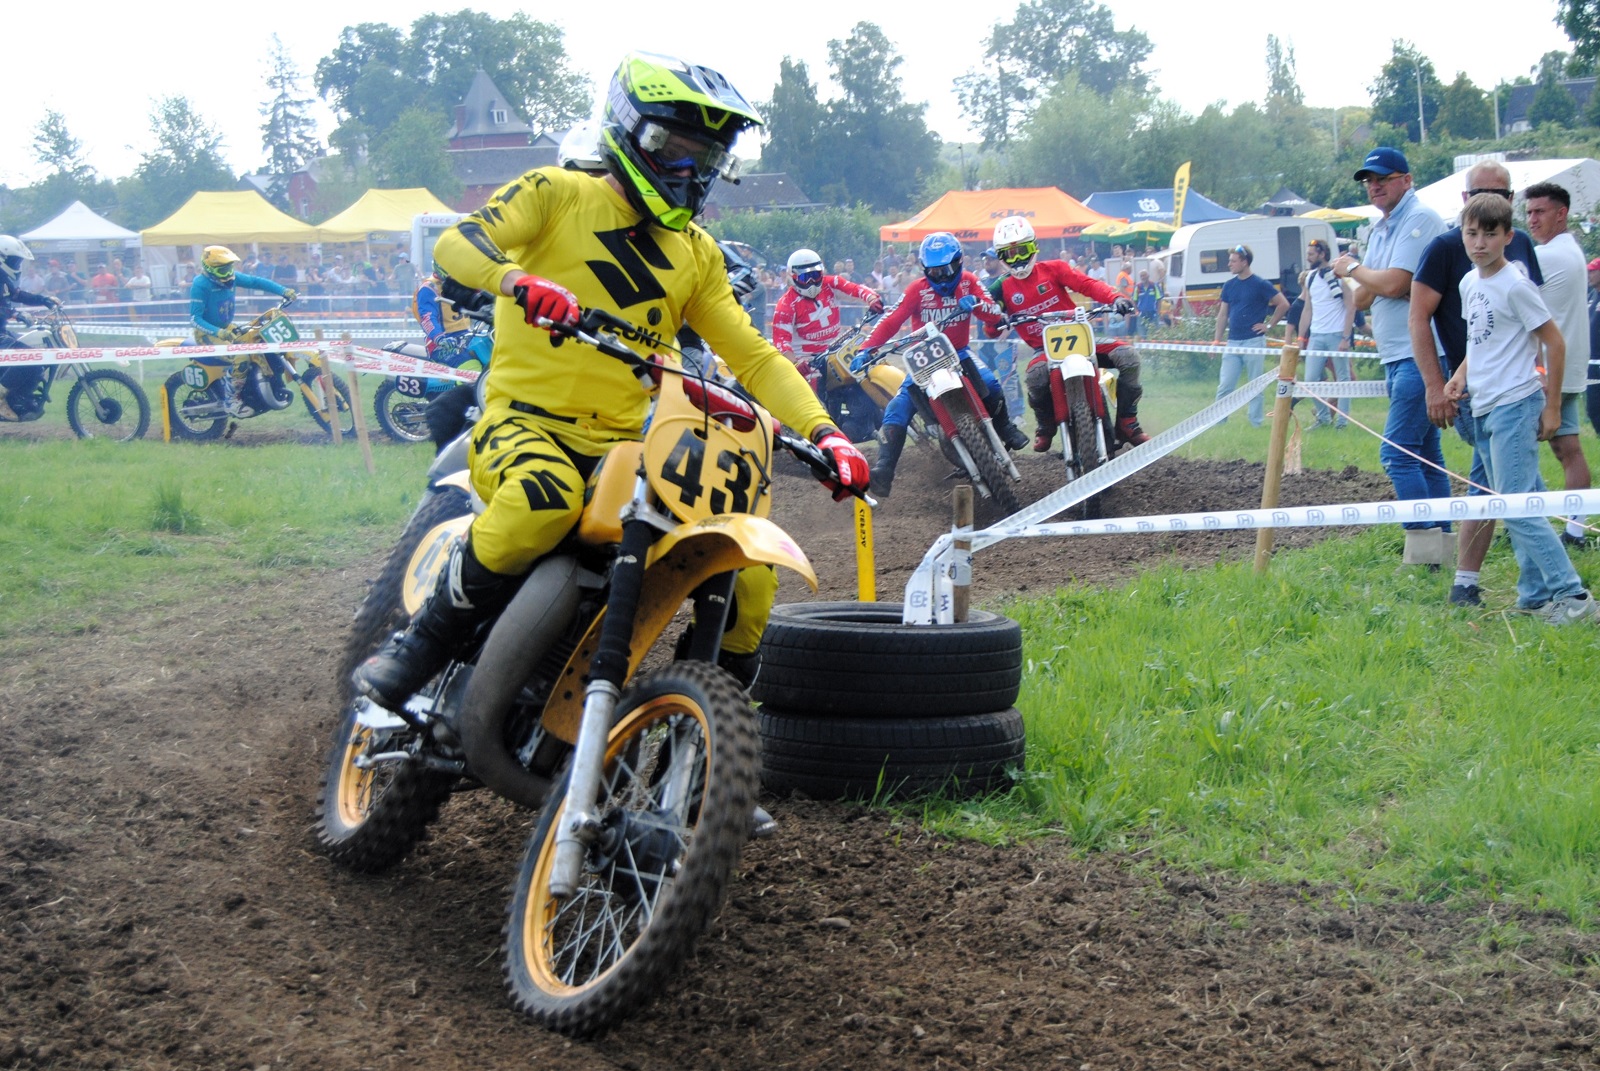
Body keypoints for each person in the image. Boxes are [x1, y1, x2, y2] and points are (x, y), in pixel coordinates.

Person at [352, 50, 867, 714]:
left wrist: (828, 433)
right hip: (523, 422)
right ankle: (420, 644)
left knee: (747, 567)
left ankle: (701, 731)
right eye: (673, 149)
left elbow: (755, 357)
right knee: (542, 499)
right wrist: (517, 280)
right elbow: (458, 242)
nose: (688, 171)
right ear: (629, 132)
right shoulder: (555, 192)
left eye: (704, 158)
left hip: (626, 449)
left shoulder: (697, 254)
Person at [1441, 193, 1595, 625]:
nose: (1480, 243)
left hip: (1516, 404)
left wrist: (1552, 408)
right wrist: (1460, 375)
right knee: (1522, 502)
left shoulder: (1516, 285)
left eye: (1490, 234)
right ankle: (1535, 596)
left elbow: (1555, 342)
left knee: (1515, 506)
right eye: (1472, 233)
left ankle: (1573, 596)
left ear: (1508, 237)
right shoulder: (1469, 284)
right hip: (1483, 405)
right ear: (1462, 235)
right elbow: (1480, 340)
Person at [1408, 163, 1545, 606]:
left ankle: (1483, 585)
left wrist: (1542, 381)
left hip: (1516, 391)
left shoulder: (1520, 245)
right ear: (1465, 200)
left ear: (1510, 202)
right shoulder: (1446, 248)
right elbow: (1418, 316)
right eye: (1481, 192)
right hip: (1474, 392)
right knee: (1506, 492)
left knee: (1503, 490)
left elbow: (1536, 323)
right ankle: (1549, 590)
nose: (1481, 239)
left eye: (1500, 193)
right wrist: (1437, 384)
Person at [1331, 147, 1448, 564]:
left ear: (1407, 180)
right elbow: (1364, 297)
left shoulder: (1419, 219)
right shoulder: (1382, 228)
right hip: (1398, 355)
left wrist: (1351, 268)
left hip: (1421, 353)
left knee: (1397, 454)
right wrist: (1361, 275)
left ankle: (1424, 554)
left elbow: (1395, 284)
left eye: (1383, 178)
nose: (1374, 186)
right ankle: (1442, 550)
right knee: (1426, 457)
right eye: (1369, 180)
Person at [853, 231, 1025, 496]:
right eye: (935, 272)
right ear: (925, 270)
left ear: (959, 263)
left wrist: (977, 304)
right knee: (897, 408)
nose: (942, 277)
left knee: (991, 383)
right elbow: (891, 320)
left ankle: (1005, 427)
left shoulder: (969, 282)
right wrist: (866, 349)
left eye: (947, 270)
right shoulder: (917, 289)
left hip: (959, 353)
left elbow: (994, 314)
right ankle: (884, 469)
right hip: (923, 360)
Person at [982, 214, 1148, 452]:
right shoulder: (999, 287)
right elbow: (989, 326)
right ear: (1001, 257)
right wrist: (996, 319)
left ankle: (1127, 420)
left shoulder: (1054, 268)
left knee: (1129, 357)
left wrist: (1116, 297)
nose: (1017, 259)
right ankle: (1046, 425)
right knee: (1035, 377)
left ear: (1034, 247)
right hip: (1044, 350)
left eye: (1022, 251)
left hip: (1081, 339)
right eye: (1010, 254)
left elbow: (1087, 284)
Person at [1523, 182, 1592, 550]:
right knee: (1568, 448)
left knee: (1518, 449)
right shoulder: (1571, 250)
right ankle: (1575, 532)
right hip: (1567, 367)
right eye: (1529, 212)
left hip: (1545, 372)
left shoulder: (1546, 256)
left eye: (1540, 211)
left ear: (1561, 214)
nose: (1532, 219)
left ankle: (1529, 527)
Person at [189, 245, 296, 416]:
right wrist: (218, 332)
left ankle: (259, 386)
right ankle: (232, 400)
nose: (228, 272)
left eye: (229, 267)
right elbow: (195, 319)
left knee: (255, 340)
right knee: (241, 357)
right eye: (223, 269)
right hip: (208, 334)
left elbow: (256, 282)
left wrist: (283, 290)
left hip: (227, 328)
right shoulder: (200, 285)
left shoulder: (232, 277)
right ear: (210, 268)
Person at [770, 248, 883, 375]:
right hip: (807, 360)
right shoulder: (786, 304)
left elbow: (856, 289)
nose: (811, 282)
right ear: (793, 277)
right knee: (812, 384)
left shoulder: (831, 283)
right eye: (805, 277)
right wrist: (795, 363)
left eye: (815, 275)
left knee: (869, 365)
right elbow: (781, 341)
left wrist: (872, 298)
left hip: (838, 350)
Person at [1211, 244, 1289, 427]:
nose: (1229, 264)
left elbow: (1283, 304)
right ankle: (1218, 422)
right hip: (1233, 342)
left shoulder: (1260, 284)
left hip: (1253, 341)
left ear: (1244, 262)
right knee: (1225, 385)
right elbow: (1223, 315)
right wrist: (1216, 340)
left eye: (1233, 261)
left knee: (1255, 385)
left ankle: (1256, 422)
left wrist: (1269, 325)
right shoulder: (1229, 286)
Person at [1295, 238, 1356, 429]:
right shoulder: (1310, 278)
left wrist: (1346, 337)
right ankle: (1323, 418)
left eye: (1311, 254)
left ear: (1322, 254)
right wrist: (1301, 337)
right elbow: (1307, 309)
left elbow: (1351, 306)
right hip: (1316, 335)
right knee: (1310, 380)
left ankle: (1342, 423)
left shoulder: (1339, 275)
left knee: (1343, 380)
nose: (1308, 258)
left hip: (1337, 333)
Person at [0, 236, 63, 420]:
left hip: (2, 331)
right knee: (30, 360)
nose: (17, 264)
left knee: (35, 361)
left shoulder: (2, 278)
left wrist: (44, 300)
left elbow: (18, 295)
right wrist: (15, 314)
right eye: (15, 260)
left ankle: (19, 399)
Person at [1588, 256, 1600, 437]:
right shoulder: (1591, 296)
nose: (1589, 274)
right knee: (1593, 408)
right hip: (1591, 364)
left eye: (1593, 271)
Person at [1133, 269, 1161, 340]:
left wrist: (1158, 312)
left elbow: (1159, 299)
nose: (1143, 277)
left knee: (1155, 336)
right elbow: (1134, 300)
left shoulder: (1154, 286)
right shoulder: (1138, 287)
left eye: (1144, 275)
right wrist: (1136, 311)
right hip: (1141, 315)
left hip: (1153, 314)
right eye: (1141, 276)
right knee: (1142, 337)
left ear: (1148, 276)